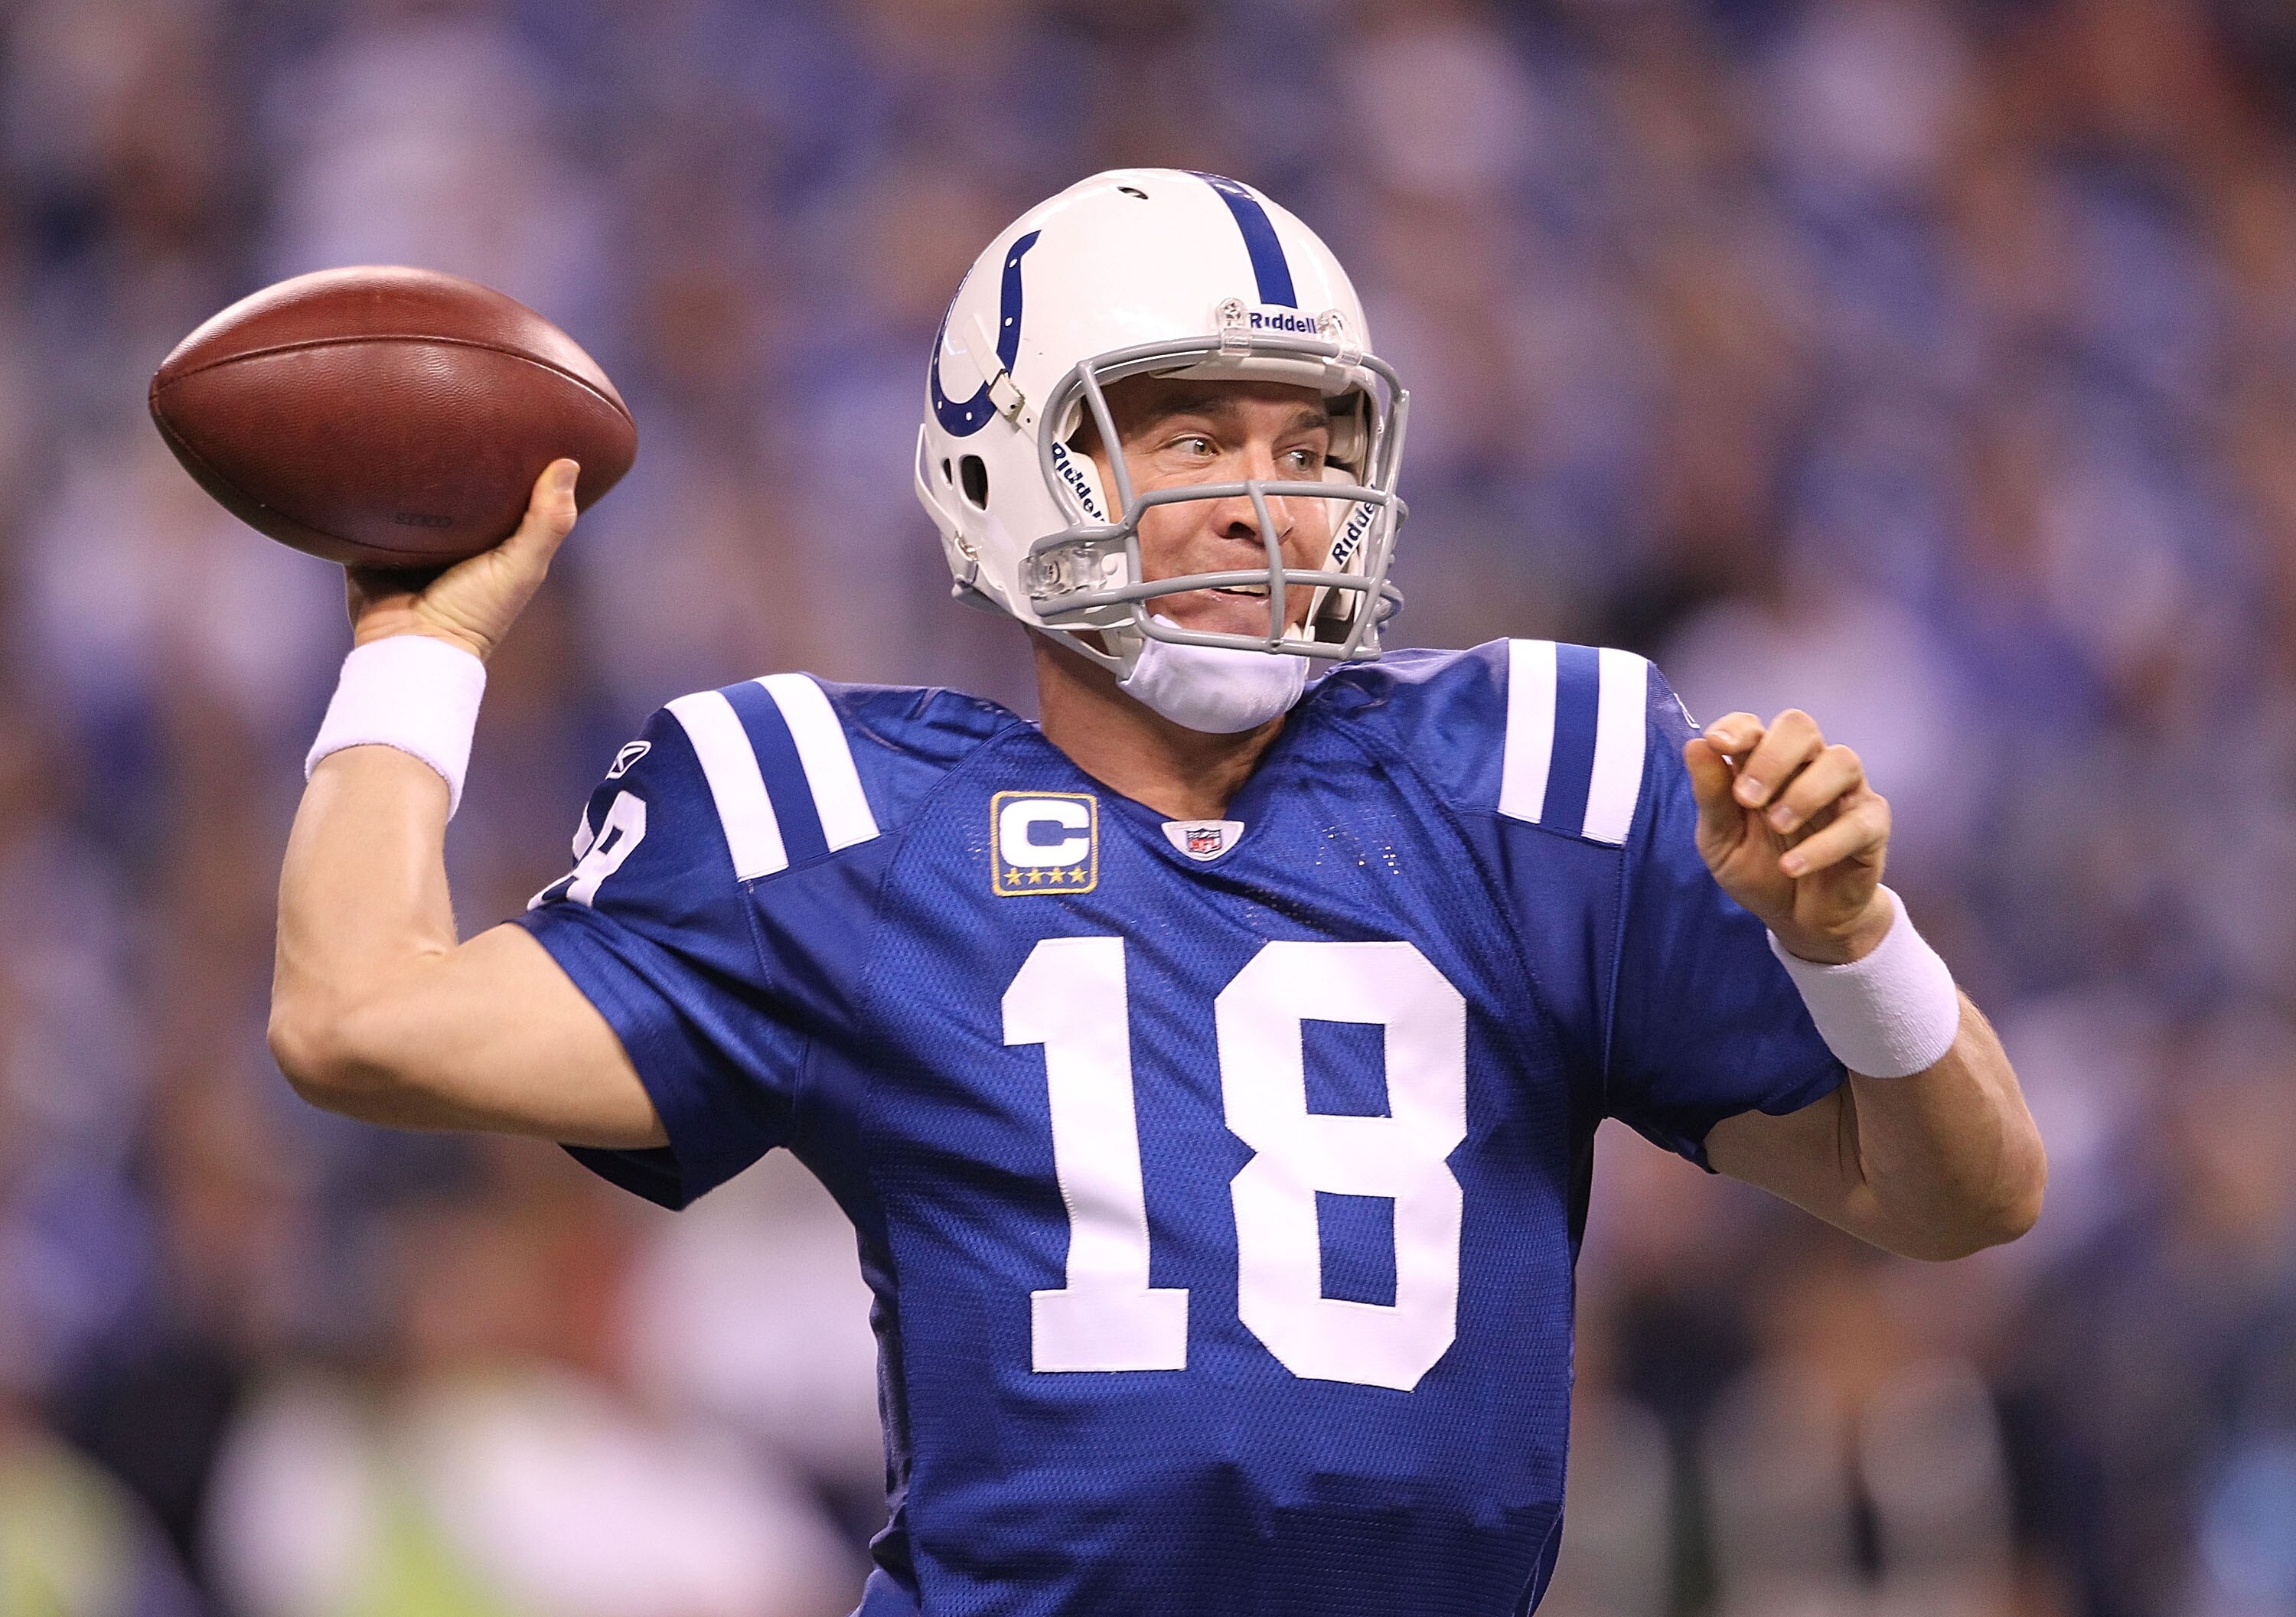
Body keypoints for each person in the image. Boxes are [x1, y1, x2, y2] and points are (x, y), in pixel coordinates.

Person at [267, 169, 2046, 1615]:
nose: (1264, 503)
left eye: (1312, 442)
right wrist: (424, 646)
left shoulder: (1534, 777)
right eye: (1188, 437)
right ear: (1004, 460)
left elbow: (1963, 1195)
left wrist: (1852, 943)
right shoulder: (843, 822)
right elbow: (359, 1018)